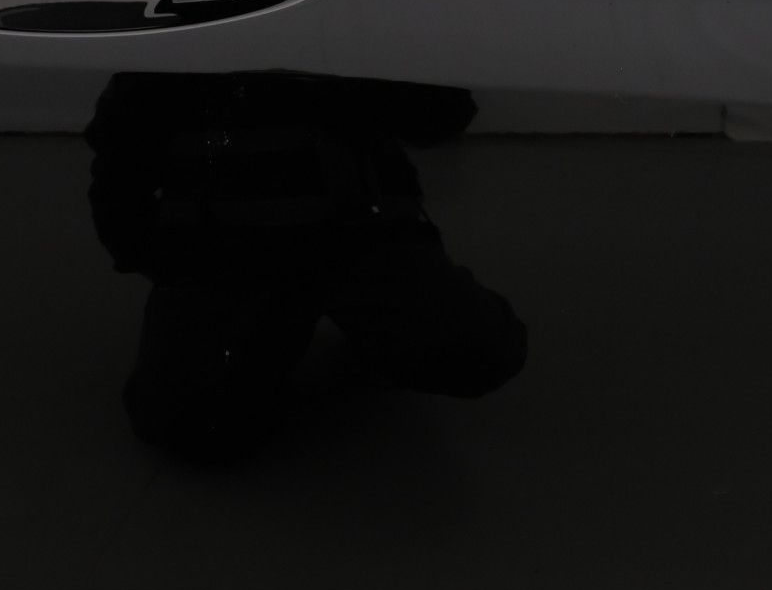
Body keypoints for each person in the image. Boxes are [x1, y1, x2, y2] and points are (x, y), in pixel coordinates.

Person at [86, 70, 527, 463]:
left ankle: (309, 338)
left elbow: (444, 114)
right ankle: (262, 344)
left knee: (478, 350)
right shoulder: (192, 31)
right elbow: (120, 152)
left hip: (362, 239)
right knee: (190, 421)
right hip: (228, 253)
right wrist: (168, 264)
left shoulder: (357, 24)